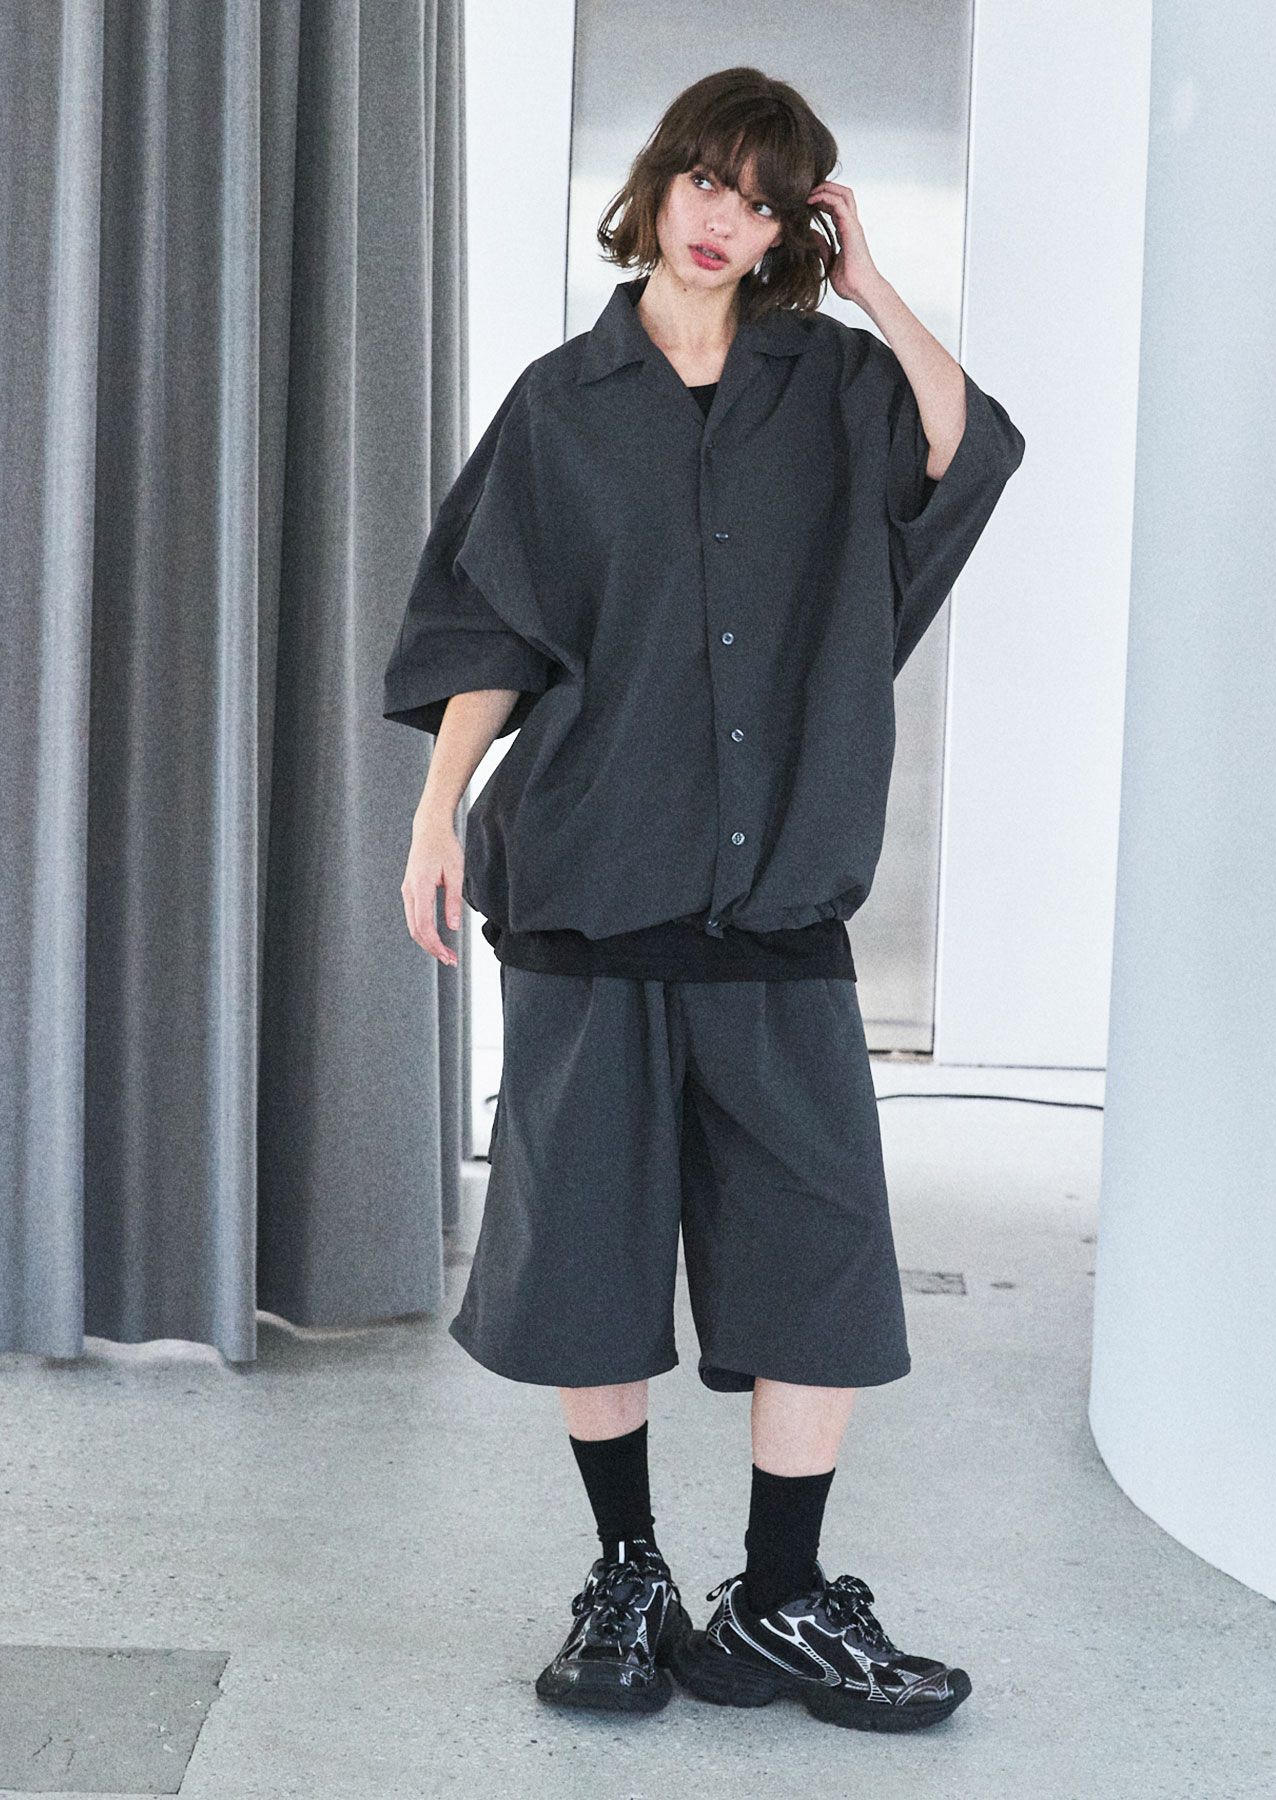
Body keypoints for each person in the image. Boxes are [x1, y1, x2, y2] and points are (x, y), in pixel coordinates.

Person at [382, 67, 1024, 1733]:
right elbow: (492, 627)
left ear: (793, 220)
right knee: (589, 1253)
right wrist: (437, 813)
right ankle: (628, 1577)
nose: (723, 218)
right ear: (658, 186)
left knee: (818, 1255)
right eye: (704, 182)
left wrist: (873, 283)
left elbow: (968, 451)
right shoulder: (563, 403)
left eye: (761, 196)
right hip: (589, 880)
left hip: (776, 902)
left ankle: (781, 1600)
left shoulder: (842, 383)